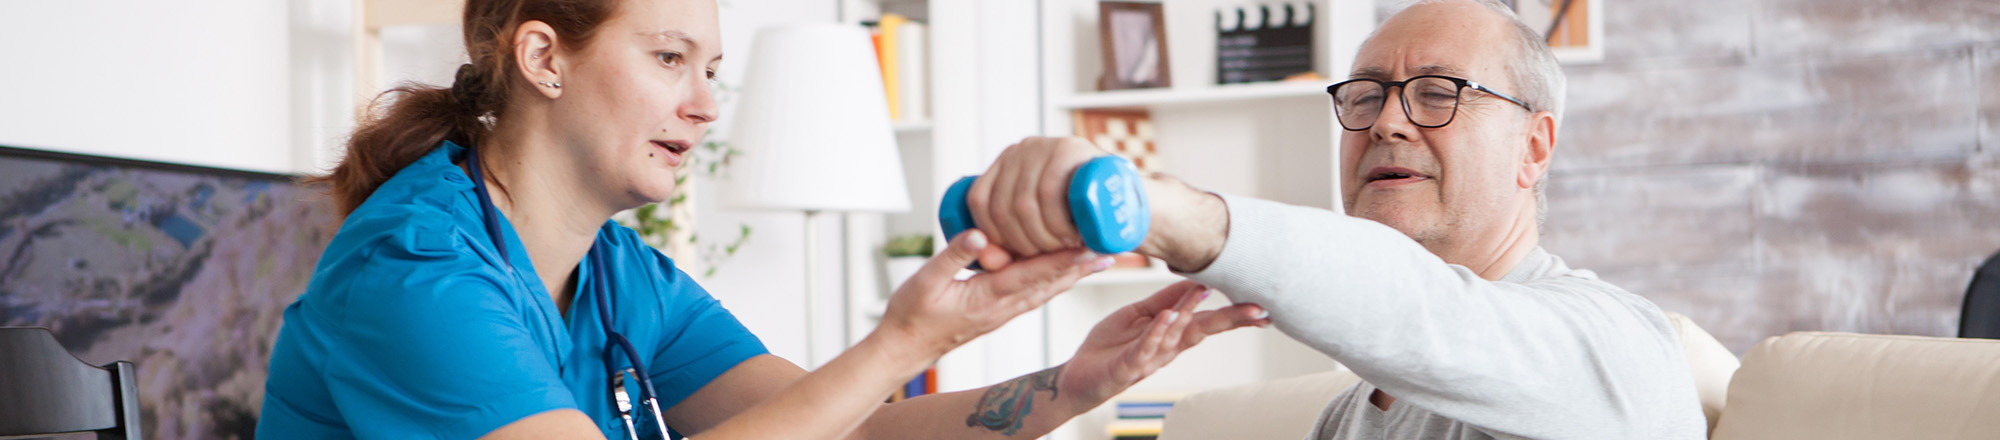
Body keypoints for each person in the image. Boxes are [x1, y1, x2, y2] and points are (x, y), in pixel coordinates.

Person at [255, 0, 1273, 438]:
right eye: (667, 59)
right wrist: (906, 336)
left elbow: (850, 427)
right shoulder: (414, 273)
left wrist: (1066, 384)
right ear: (542, 58)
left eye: (711, 70)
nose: (703, 104)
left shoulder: (619, 273)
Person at [959, 0, 1708, 438]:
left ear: (1533, 147)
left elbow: (1426, 313)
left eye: (1439, 93)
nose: (1388, 123)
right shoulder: (1351, 415)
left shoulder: (1619, 346)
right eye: (1366, 96)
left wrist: (1162, 211)